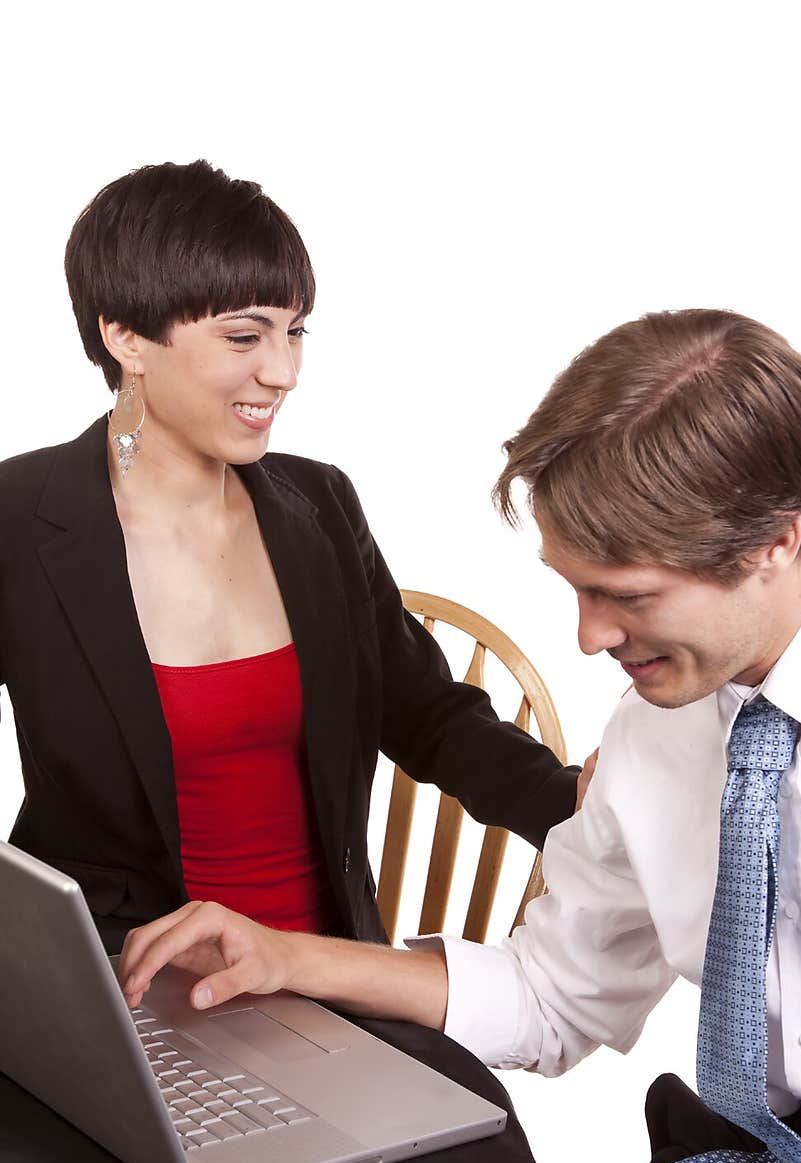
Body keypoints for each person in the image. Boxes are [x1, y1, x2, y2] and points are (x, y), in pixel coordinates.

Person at [122, 307, 801, 1163]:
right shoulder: (655, 739)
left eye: (626, 596)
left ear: (773, 544)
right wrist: (291, 957)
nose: (586, 635)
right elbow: (554, 995)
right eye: (573, 590)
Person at [0, 158, 582, 958]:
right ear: (125, 335)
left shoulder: (322, 506)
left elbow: (428, 716)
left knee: (477, 1095)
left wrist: (576, 809)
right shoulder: (20, 523)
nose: (283, 372)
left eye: (294, 331)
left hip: (327, 979)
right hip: (115, 989)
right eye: (244, 335)